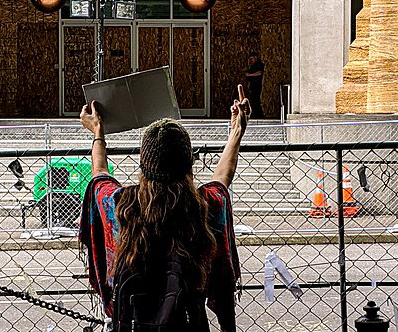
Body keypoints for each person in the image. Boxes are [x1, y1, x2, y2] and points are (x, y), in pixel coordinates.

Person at [79, 85, 251, 332]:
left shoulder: (120, 206)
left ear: (143, 161)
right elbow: (223, 177)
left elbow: (100, 175)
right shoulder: (203, 207)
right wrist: (236, 132)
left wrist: (98, 132)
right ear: (189, 162)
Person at [245, 51, 265, 119]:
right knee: (253, 100)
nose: (251, 60)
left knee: (256, 99)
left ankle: (258, 115)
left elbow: (260, 73)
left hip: (257, 85)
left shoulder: (258, 65)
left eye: (252, 58)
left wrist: (250, 75)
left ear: (255, 58)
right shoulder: (252, 66)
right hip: (252, 85)